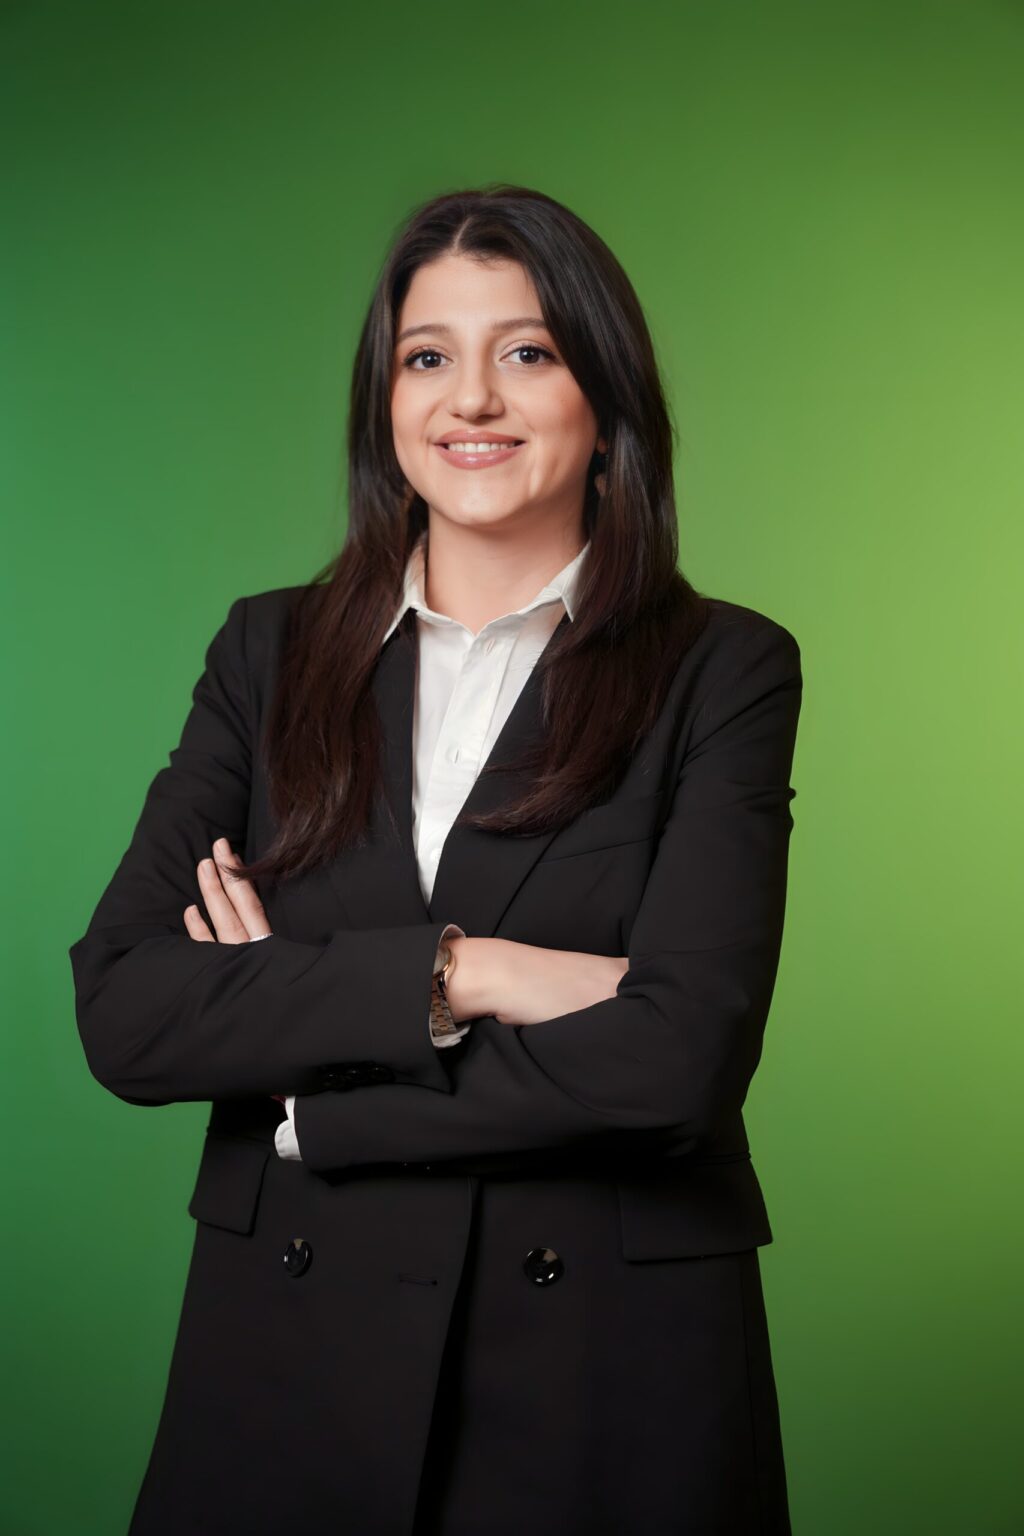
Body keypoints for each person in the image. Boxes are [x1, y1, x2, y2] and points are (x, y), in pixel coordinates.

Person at [69, 183, 803, 1536]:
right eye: (427, 357)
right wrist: (473, 974)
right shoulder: (267, 653)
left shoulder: (724, 669)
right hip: (289, 1357)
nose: (471, 399)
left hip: (601, 1368)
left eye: (527, 352)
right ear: (386, 402)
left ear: (606, 403)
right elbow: (126, 1007)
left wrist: (317, 1094)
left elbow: (679, 1056)